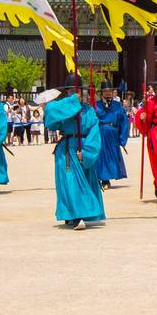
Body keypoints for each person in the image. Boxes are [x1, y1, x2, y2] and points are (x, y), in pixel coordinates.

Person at [43, 76, 105, 229]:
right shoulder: (61, 108)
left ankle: (80, 213)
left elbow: (94, 133)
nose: (74, 94)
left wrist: (86, 153)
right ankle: (73, 214)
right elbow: (50, 117)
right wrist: (71, 103)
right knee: (69, 182)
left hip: (82, 147)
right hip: (66, 150)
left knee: (81, 182)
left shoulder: (89, 110)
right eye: (71, 91)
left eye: (77, 91)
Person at [93, 90, 131, 190]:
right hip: (100, 133)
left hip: (113, 134)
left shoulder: (118, 106)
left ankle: (107, 178)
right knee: (101, 157)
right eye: (105, 91)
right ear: (101, 93)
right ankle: (103, 179)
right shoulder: (96, 105)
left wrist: (122, 139)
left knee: (111, 157)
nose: (108, 93)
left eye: (110, 91)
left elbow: (124, 122)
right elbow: (91, 120)